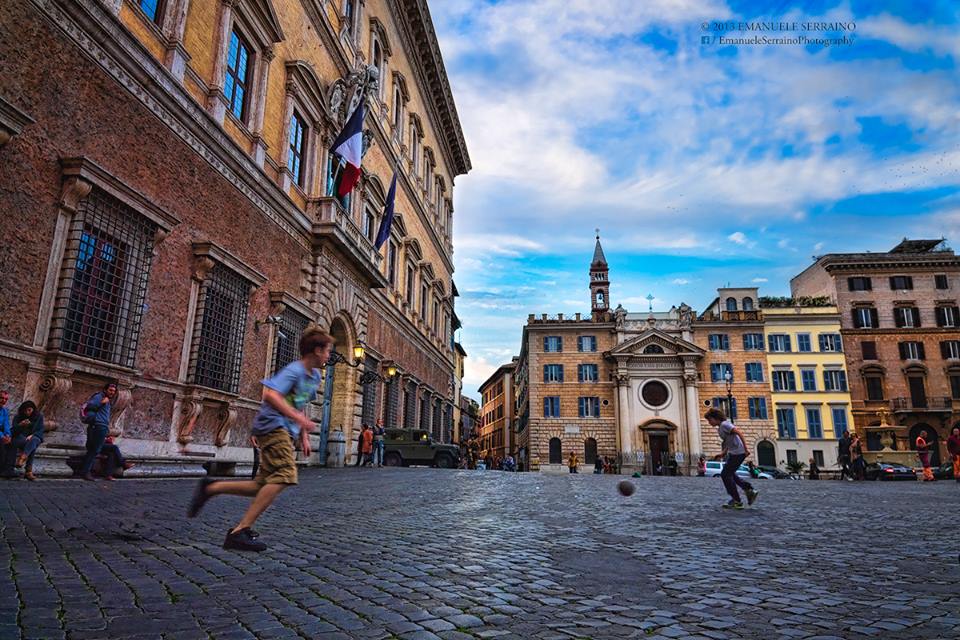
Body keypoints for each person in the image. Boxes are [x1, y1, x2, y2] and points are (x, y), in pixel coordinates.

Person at [187, 327, 332, 552]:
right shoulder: (294, 371)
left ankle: (211, 487)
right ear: (317, 350)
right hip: (273, 426)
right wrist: (295, 419)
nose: (329, 355)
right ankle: (239, 531)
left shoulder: (313, 377)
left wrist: (304, 434)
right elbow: (271, 395)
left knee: (262, 485)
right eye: (327, 351)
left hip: (285, 430)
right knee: (285, 476)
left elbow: (299, 403)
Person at [705, 408, 758, 509]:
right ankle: (748, 490)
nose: (709, 422)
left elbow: (739, 433)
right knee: (730, 474)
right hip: (734, 453)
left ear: (716, 418)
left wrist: (746, 449)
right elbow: (728, 442)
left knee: (725, 474)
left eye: (709, 420)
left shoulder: (725, 424)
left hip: (739, 452)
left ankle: (737, 500)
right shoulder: (721, 427)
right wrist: (722, 453)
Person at [78, 382, 118, 481]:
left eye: (114, 391)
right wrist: (101, 402)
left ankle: (86, 471)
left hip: (102, 427)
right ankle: (86, 472)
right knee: (94, 450)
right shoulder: (99, 396)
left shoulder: (108, 400)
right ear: (105, 390)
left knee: (96, 450)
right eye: (110, 390)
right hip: (98, 427)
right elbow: (90, 406)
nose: (112, 392)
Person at [12, 401, 44, 481]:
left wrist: (33, 435)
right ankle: (28, 471)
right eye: (25, 410)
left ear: (33, 409)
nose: (27, 412)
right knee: (32, 445)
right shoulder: (18, 417)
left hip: (34, 437)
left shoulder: (39, 416)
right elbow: (13, 431)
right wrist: (20, 425)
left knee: (34, 440)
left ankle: (22, 458)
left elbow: (40, 430)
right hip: (21, 438)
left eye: (29, 410)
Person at [0, 390, 15, 479]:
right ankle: (1, 470)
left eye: (6, 399)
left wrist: (8, 435)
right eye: (2, 398)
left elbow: (6, 424)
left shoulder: (5, 411)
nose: (4, 401)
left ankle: (9, 469)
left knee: (13, 443)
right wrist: (2, 436)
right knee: (1, 443)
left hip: (1, 432)